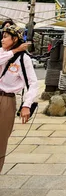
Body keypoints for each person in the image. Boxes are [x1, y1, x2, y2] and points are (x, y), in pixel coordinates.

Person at [0, 25, 38, 173]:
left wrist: (26, 105)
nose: (2, 39)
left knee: (1, 140)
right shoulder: (2, 53)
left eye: (5, 36)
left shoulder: (24, 59)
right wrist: (14, 51)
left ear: (15, 39)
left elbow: (33, 83)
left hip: (6, 100)